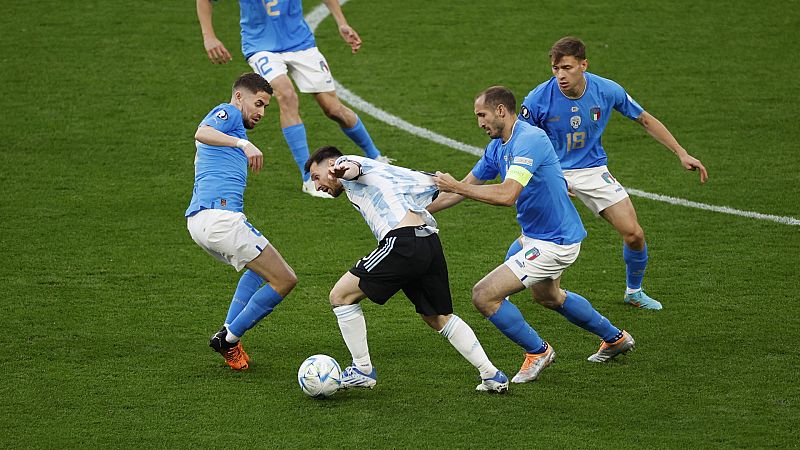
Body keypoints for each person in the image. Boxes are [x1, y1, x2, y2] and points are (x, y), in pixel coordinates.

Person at [429, 86, 634, 383]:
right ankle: (615, 338)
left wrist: (458, 187)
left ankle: (538, 352)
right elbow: (462, 188)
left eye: (482, 115)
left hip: (556, 242)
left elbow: (507, 194)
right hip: (538, 236)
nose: (480, 123)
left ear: (501, 111)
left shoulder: (530, 140)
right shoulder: (498, 146)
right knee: (549, 296)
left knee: (484, 295)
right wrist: (419, 212)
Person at [517, 36, 709, 310]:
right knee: (535, 239)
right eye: (555, 68)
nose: (560, 75)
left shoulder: (606, 90)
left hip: (593, 170)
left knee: (634, 234)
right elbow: (521, 140)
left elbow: (643, 118)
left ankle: (634, 292)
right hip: (551, 170)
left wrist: (681, 152)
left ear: (584, 65)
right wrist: (545, 176)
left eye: (567, 68)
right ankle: (502, 284)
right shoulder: (538, 99)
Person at [304, 146, 509, 393]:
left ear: (331, 165)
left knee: (341, 296)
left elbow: (351, 168)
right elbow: (430, 188)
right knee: (437, 317)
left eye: (317, 177)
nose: (317, 187)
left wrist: (341, 170)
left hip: (402, 243)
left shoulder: (349, 163)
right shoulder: (385, 173)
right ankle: (491, 375)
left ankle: (362, 369)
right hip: (428, 241)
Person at [196, 0, 391, 199]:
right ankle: (308, 179)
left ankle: (375, 156)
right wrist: (209, 36)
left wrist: (342, 22)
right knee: (287, 94)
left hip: (302, 43)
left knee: (333, 108)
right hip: (261, 46)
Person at [186, 73, 298, 371]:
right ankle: (229, 338)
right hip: (221, 219)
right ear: (239, 97)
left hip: (202, 222)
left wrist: (240, 143)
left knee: (258, 271)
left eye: (265, 107)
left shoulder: (235, 126)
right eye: (258, 103)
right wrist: (242, 144)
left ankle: (228, 335)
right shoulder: (228, 112)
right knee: (285, 279)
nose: (261, 112)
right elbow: (201, 131)